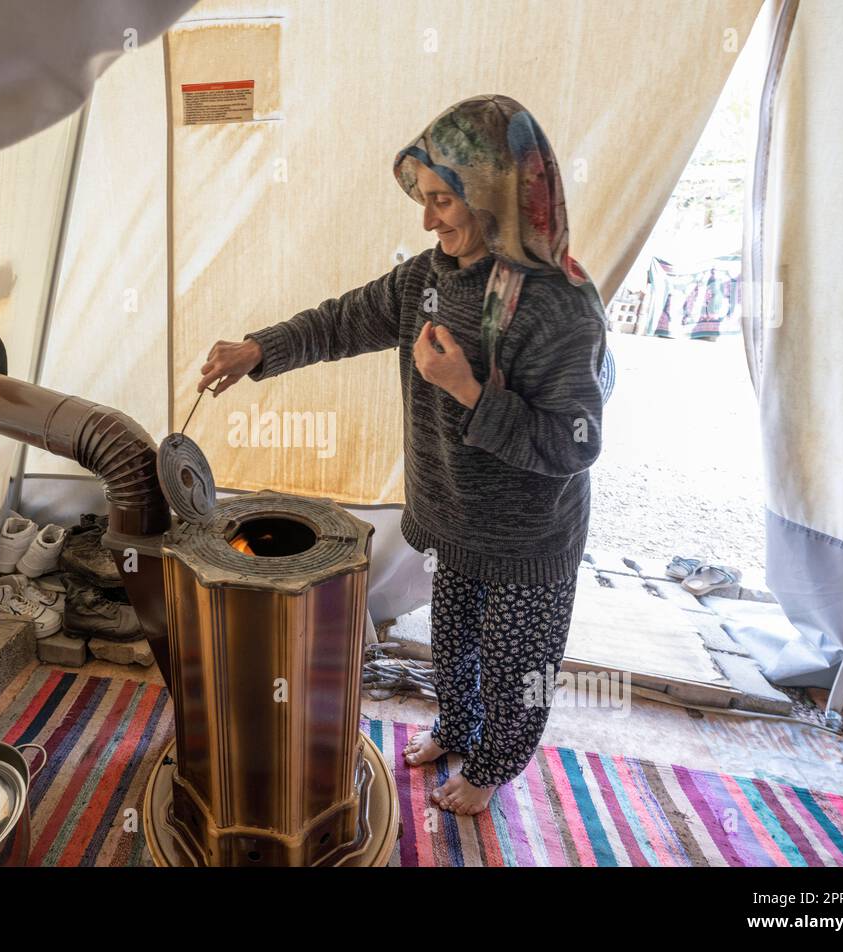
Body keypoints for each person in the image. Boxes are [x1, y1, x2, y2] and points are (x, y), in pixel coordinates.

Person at [197, 94, 608, 816]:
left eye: (443, 200)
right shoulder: (426, 278)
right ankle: (456, 729)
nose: (427, 219)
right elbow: (344, 320)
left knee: (516, 668)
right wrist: (261, 348)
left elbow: (574, 443)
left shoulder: (561, 304)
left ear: (494, 195)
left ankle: (489, 771)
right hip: (452, 516)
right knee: (453, 646)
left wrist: (468, 390)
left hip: (525, 538)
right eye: (423, 200)